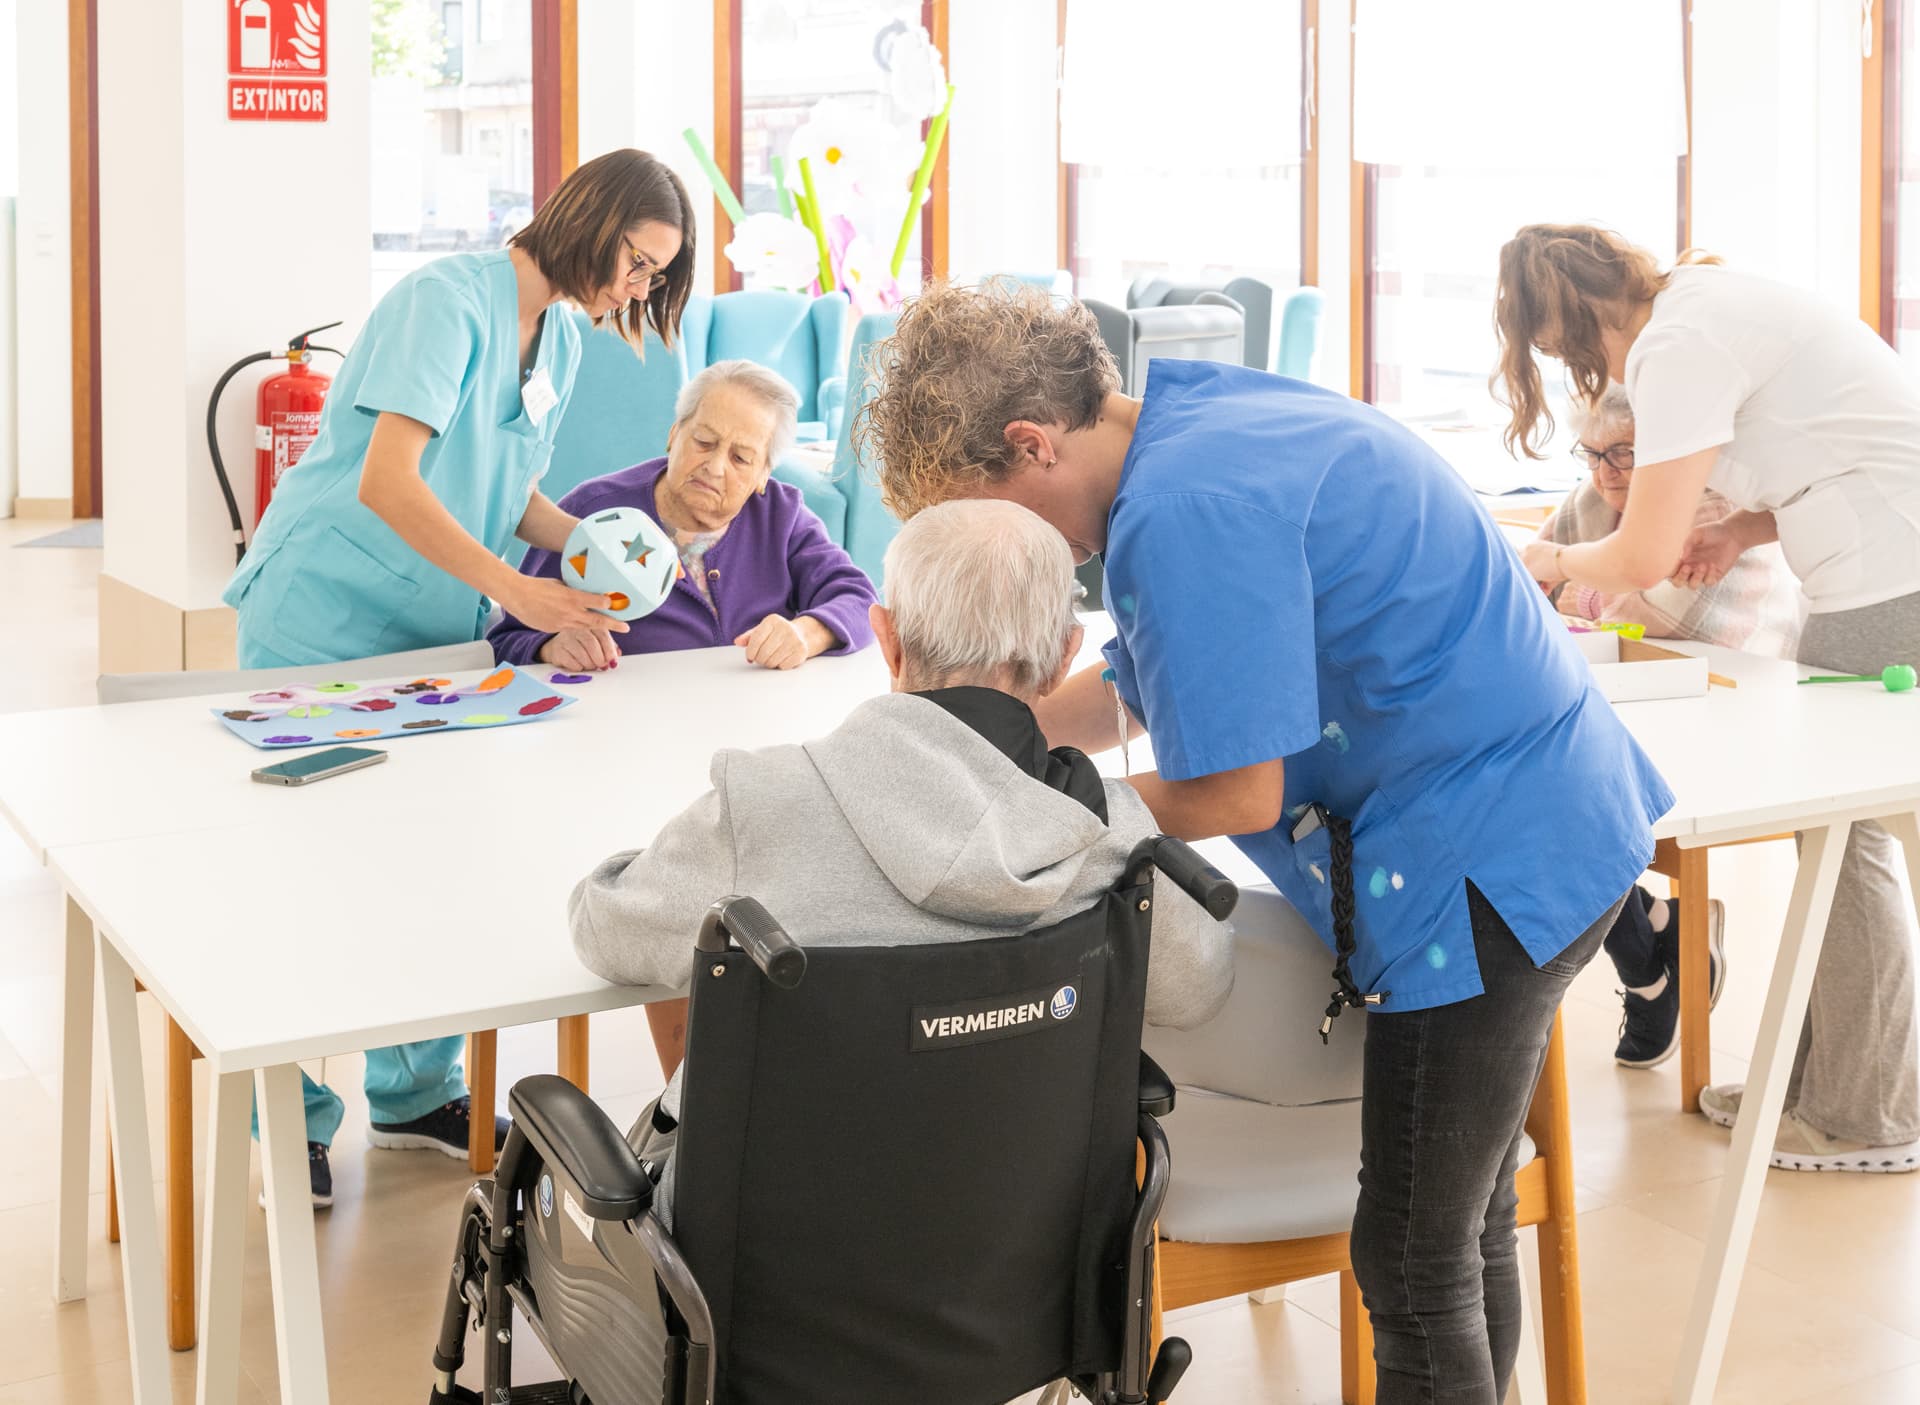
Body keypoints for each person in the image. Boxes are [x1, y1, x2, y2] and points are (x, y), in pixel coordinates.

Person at [855, 279, 1671, 1405]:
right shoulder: (1195, 429)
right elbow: (1154, 673)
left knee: (1409, 1252)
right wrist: (985, 729)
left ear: (1030, 446)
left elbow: (1235, 792)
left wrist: (1054, 808)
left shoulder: (1180, 516)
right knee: (1466, 1219)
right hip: (1552, 819)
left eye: (976, 514)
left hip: (1487, 864)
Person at [222, 149, 697, 1206]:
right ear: (591, 217)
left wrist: (591, 550)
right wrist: (518, 594)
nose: (639, 289)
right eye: (637, 261)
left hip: (430, 629)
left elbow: (507, 481)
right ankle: (289, 1123)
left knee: (426, 864)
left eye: (657, 278)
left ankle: (413, 1095)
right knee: (307, 878)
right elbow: (393, 481)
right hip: (324, 618)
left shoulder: (561, 337)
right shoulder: (447, 302)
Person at [569, 498, 1235, 1223]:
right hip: (1028, 1300)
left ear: (884, 639)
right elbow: (1198, 987)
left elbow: (604, 930)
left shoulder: (761, 807)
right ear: (1063, 660)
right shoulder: (1113, 837)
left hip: (760, 1287)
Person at [1495, 223, 1920, 1174]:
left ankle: (1864, 1112)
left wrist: (1549, 561)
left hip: (1893, 571)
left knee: (1847, 840)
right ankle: (1814, 1090)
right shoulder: (1700, 312)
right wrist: (1743, 532)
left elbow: (1642, 552)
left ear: (1568, 320)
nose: (1578, 368)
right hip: (1874, 560)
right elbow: (1836, 447)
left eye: (1563, 350)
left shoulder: (1679, 343)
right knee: (1838, 843)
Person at [1536, 384, 1802, 1068]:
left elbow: (1669, 620)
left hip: (1734, 719)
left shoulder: (1713, 506)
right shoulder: (1588, 501)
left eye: (1623, 452)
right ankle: (1652, 952)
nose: (1605, 472)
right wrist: (1593, 595)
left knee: (1566, 795)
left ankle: (1651, 963)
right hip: (1631, 705)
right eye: (1593, 454)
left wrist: (1575, 590)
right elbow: (1524, 580)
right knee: (1541, 788)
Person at [490, 359, 876, 675]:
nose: (715, 466)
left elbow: (858, 599)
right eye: (704, 442)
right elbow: (507, 638)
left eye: (740, 458)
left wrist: (806, 634)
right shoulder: (594, 510)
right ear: (674, 434)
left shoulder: (783, 516)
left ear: (763, 475)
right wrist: (550, 646)